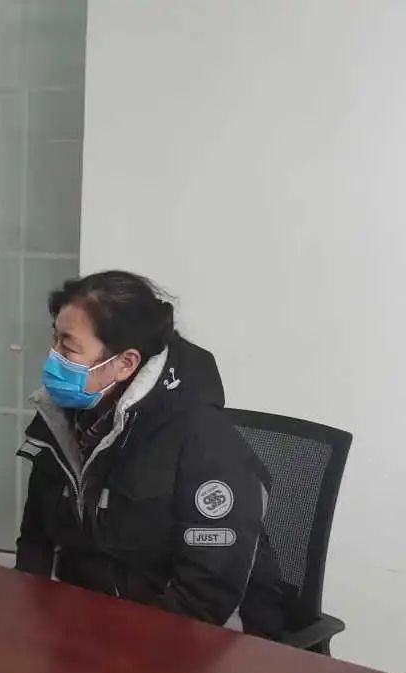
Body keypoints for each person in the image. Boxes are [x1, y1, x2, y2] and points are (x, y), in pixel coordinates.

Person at [17, 270, 287, 636]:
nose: (53, 358)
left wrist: (121, 647)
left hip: (191, 644)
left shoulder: (202, 439)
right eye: (55, 340)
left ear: (125, 363)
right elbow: (36, 541)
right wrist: (31, 618)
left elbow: (206, 595)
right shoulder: (64, 421)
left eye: (68, 348)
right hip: (91, 626)